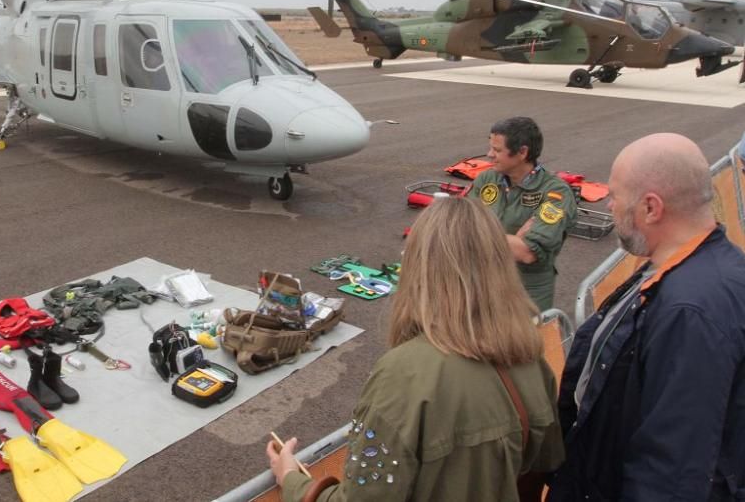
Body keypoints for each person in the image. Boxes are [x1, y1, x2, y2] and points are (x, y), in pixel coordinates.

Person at [268, 197, 564, 501]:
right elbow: (547, 464)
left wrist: (292, 481)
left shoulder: (403, 375)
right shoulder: (531, 357)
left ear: (419, 269)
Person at [549, 133, 745, 500]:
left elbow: (672, 470)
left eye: (616, 196)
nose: (608, 204)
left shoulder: (690, 312)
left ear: (652, 208)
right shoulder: (683, 268)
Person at [468, 117, 577, 311]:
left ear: (522, 152)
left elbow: (527, 253)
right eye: (491, 148)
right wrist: (513, 241)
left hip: (524, 296)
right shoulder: (487, 179)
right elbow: (462, 228)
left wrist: (478, 237)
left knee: (518, 342)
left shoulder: (555, 192)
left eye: (497, 150)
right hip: (483, 285)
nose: (489, 155)